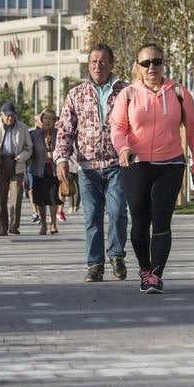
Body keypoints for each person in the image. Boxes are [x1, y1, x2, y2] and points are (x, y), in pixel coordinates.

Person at [109, 44, 194, 294]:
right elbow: (117, 128)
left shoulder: (179, 93)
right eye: (146, 63)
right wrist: (122, 149)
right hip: (136, 163)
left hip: (171, 163)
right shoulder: (128, 94)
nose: (152, 67)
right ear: (138, 67)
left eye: (157, 61)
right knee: (140, 220)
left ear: (163, 63)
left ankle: (155, 275)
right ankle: (144, 268)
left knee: (162, 219)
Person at [55, 44, 131, 282]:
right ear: (88, 65)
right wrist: (62, 159)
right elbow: (65, 130)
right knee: (92, 217)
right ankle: (95, 265)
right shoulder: (76, 94)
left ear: (112, 64)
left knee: (118, 212)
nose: (98, 66)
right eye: (94, 62)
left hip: (118, 164)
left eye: (103, 61)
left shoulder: (126, 91)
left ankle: (117, 256)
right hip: (87, 168)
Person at [0, 102, 32, 236]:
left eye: (12, 115)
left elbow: (29, 147)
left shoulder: (22, 127)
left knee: (17, 198)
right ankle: (2, 227)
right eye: (7, 116)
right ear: (1, 115)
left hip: (16, 165)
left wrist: (22, 156)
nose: (10, 118)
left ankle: (14, 226)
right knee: (0, 199)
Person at [28, 108, 61, 235]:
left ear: (54, 121)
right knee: (40, 199)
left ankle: (53, 224)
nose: (48, 121)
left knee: (53, 197)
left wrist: (54, 155)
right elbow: (29, 150)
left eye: (50, 119)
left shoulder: (59, 134)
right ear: (41, 121)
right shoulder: (34, 135)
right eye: (45, 118)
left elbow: (64, 148)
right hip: (38, 169)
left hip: (53, 169)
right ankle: (43, 225)